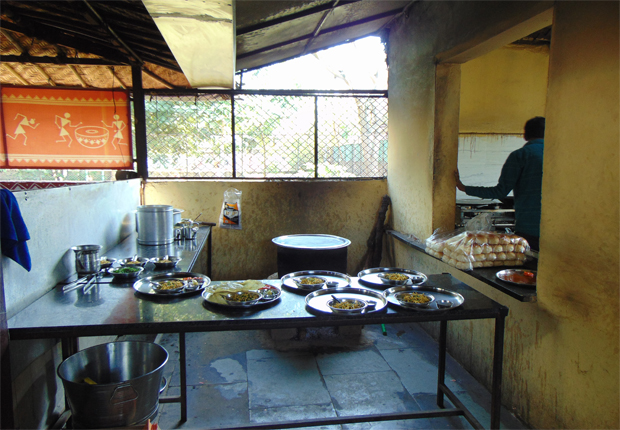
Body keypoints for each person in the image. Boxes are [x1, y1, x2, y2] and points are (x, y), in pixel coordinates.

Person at [454, 116, 545, 250]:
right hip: (559, 228)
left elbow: (499, 192)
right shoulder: (560, 156)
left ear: (525, 135)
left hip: (529, 228)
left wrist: (463, 188)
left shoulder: (521, 155)